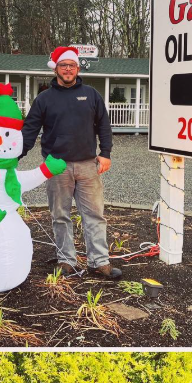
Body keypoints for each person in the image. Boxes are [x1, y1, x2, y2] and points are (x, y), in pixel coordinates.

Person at [20, 45, 120, 280]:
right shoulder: (44, 99)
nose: (67, 69)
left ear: (77, 68)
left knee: (95, 215)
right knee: (60, 215)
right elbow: (29, 131)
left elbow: (104, 126)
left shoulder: (91, 94)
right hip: (56, 166)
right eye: (63, 65)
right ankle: (66, 261)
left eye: (71, 65)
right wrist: (13, 157)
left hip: (88, 165)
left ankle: (99, 262)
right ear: (56, 68)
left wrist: (105, 153)